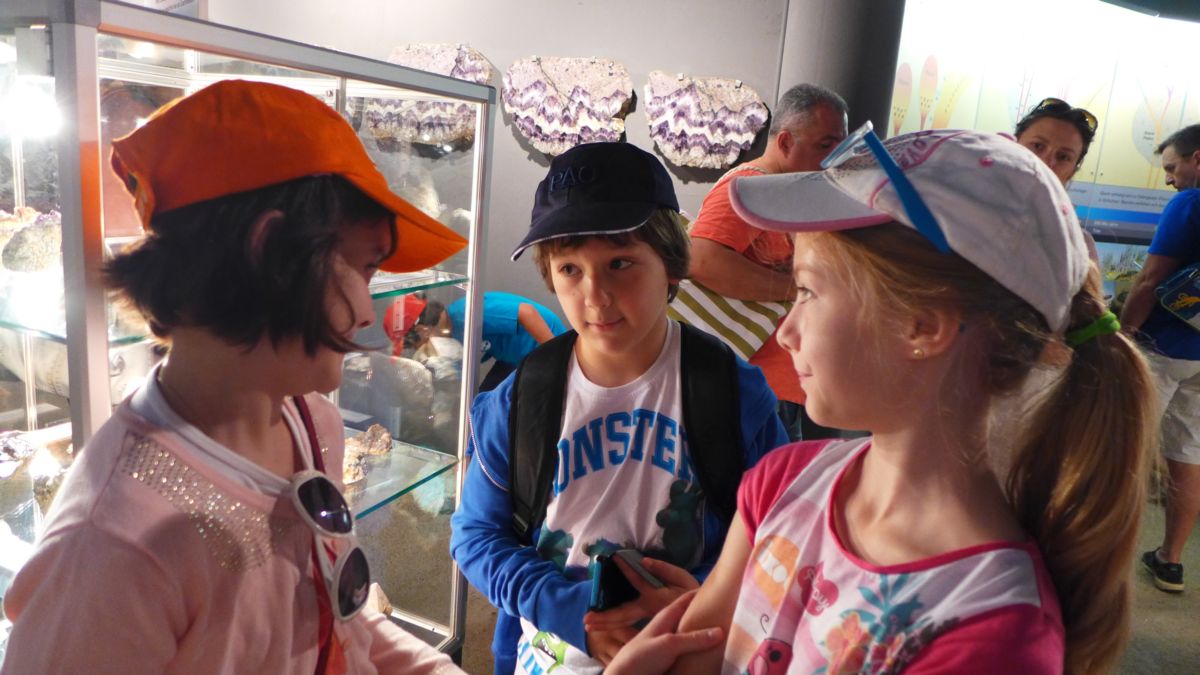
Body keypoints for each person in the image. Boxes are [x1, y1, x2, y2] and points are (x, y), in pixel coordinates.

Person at [602, 127, 1155, 674]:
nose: (787, 331)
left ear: (923, 325)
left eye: (807, 291)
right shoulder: (783, 482)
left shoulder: (991, 639)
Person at [0, 80, 470, 673]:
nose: (369, 314)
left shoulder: (311, 421)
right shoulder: (118, 543)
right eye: (364, 267)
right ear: (270, 253)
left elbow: (331, 619)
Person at [449, 141, 788, 675]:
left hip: (686, 653)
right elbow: (476, 536)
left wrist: (703, 596)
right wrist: (572, 612)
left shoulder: (731, 392)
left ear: (670, 265)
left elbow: (781, 533)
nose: (596, 296)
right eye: (569, 269)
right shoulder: (521, 400)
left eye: (620, 263)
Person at [680, 82, 848, 440]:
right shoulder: (750, 186)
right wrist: (798, 290)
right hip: (755, 384)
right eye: (825, 146)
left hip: (772, 383)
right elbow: (702, 258)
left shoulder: (777, 191)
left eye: (841, 147)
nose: (834, 160)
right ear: (785, 142)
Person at [1120, 123, 1200, 593]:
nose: (1169, 178)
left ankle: (1099, 555)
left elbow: (1151, 280)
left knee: (1123, 447)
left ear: (1198, 159)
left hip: (1163, 347)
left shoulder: (1190, 203)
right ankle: (1170, 561)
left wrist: (1123, 334)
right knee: (1187, 454)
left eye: (1172, 167)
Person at [398, 291, 567, 391]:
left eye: (414, 346)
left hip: (543, 345)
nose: (419, 350)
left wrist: (560, 361)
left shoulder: (467, 313)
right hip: (513, 357)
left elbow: (526, 313)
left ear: (422, 331)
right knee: (485, 401)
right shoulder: (449, 337)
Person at [1013, 96, 1101, 262]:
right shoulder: (967, 206)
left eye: (1063, 157)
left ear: (1072, 171)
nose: (1046, 162)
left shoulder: (1079, 248)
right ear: (1012, 144)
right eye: (1038, 146)